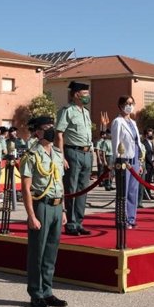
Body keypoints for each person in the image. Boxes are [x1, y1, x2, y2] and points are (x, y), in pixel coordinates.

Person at [20, 115, 69, 307]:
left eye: (51, 126)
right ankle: (36, 293)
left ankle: (47, 290)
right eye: (46, 127)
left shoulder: (57, 154)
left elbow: (60, 182)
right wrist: (31, 215)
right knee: (37, 252)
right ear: (37, 131)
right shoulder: (31, 156)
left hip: (57, 206)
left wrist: (63, 208)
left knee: (50, 251)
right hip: (42, 205)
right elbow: (26, 187)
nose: (50, 130)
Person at [55, 81, 94, 236]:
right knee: (71, 189)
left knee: (82, 190)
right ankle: (70, 224)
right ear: (76, 94)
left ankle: (79, 222)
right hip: (72, 152)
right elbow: (59, 134)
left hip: (86, 153)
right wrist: (61, 156)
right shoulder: (67, 111)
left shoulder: (85, 112)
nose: (87, 97)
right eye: (85, 94)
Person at [111, 95, 143, 228]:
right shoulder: (118, 122)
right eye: (126, 103)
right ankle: (121, 219)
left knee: (133, 190)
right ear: (120, 106)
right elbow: (116, 143)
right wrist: (116, 161)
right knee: (123, 190)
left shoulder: (133, 123)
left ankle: (131, 218)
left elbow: (137, 142)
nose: (129, 106)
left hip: (134, 158)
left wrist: (140, 162)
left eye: (131, 103)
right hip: (124, 159)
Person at [142, 128, 154, 200]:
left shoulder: (151, 142)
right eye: (149, 134)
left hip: (152, 164)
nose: (151, 135)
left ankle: (149, 193)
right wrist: (152, 162)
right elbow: (146, 155)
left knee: (149, 180)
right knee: (146, 180)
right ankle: (145, 194)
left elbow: (153, 153)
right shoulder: (144, 143)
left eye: (152, 133)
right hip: (147, 164)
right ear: (146, 135)